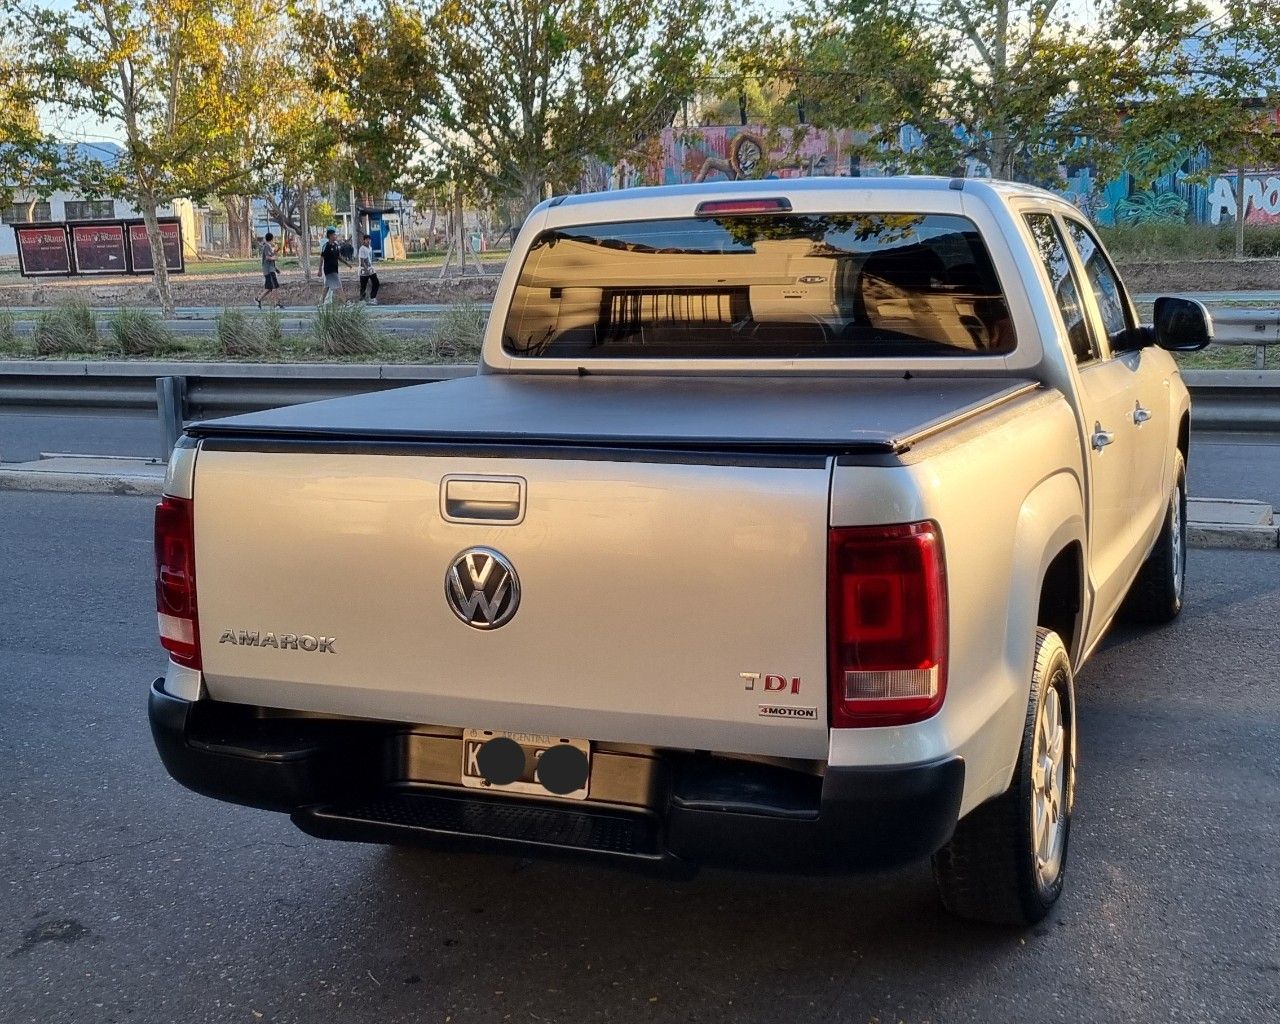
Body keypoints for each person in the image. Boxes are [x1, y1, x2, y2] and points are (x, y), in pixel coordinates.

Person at [317, 227, 352, 306]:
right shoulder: (326, 246)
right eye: (334, 235)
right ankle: (346, 302)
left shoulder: (336, 245)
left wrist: (347, 263)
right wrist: (319, 270)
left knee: (326, 287)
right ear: (329, 235)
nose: (335, 236)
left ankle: (320, 303)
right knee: (338, 286)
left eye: (335, 234)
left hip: (335, 269)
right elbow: (322, 258)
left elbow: (338, 257)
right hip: (329, 270)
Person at [256, 233, 282, 309]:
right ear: (272, 238)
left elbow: (271, 258)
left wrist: (276, 269)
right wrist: (275, 258)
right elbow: (268, 258)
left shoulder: (269, 247)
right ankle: (276, 304)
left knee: (269, 288)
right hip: (269, 271)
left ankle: (258, 299)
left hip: (270, 269)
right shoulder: (267, 246)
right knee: (275, 287)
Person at [357, 233, 379, 303]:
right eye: (366, 240)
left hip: (370, 268)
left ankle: (372, 297)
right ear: (364, 240)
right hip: (364, 270)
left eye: (369, 239)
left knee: (376, 283)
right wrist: (366, 270)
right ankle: (362, 300)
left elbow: (369, 258)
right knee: (363, 285)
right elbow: (362, 261)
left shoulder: (370, 248)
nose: (368, 241)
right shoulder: (362, 249)